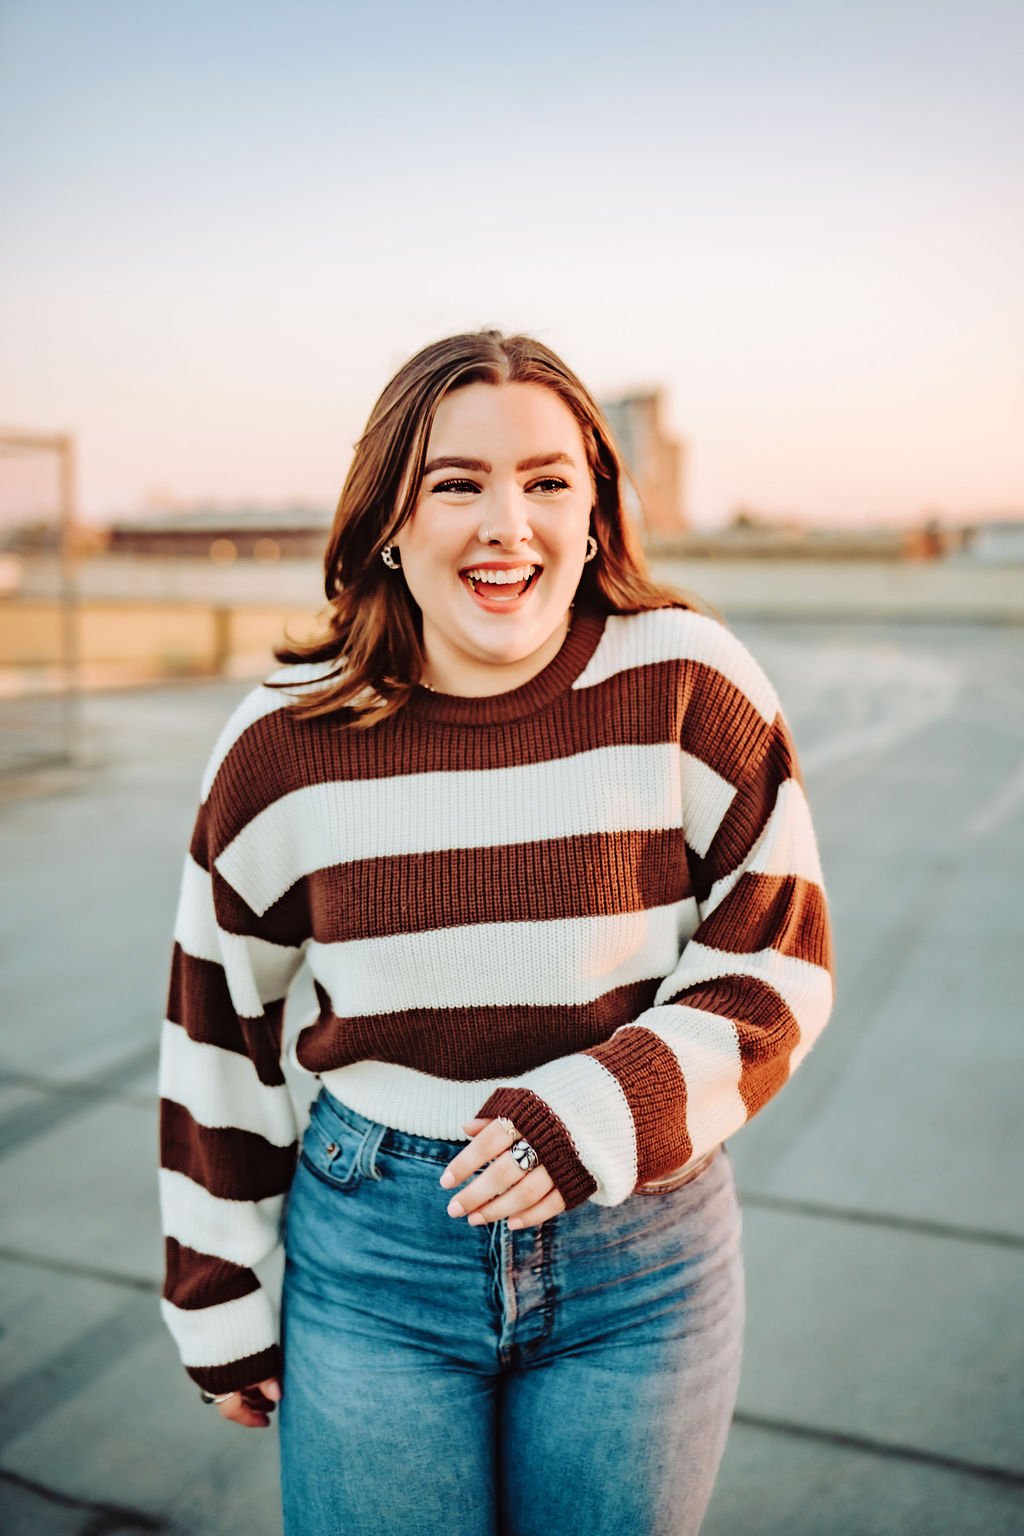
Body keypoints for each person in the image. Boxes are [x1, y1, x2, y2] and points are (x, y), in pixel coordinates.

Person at [157, 327, 836, 1536]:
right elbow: (220, 1034)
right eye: (455, 482)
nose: (504, 524)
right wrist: (215, 1291)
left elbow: (776, 957)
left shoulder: (691, 681)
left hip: (645, 1261)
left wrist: (602, 1104)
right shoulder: (282, 745)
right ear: (387, 519)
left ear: (594, 514)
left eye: (546, 482)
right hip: (374, 1265)